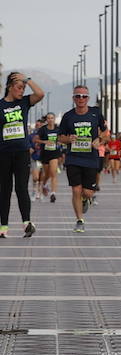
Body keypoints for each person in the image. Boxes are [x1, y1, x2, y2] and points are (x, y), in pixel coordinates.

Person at [56, 85, 107, 232]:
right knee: (76, 190)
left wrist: (100, 140)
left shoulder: (95, 113)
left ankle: (86, 199)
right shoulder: (68, 116)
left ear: (88, 98)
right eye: (78, 96)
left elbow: (106, 133)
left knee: (88, 192)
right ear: (73, 98)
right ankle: (79, 220)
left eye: (84, 96)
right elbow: (60, 138)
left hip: (91, 158)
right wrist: (68, 138)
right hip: (73, 158)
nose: (81, 99)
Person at [1, 74, 45, 238]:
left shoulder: (24, 102)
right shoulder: (0, 105)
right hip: (3, 153)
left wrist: (27, 79)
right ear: (9, 87)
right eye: (19, 87)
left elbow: (40, 94)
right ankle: (3, 226)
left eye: (24, 88)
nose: (22, 90)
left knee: (21, 188)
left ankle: (26, 223)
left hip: (21, 153)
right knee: (4, 190)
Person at [36, 112, 62, 203]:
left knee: (53, 173)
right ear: (46, 120)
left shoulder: (58, 129)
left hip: (54, 153)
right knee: (46, 173)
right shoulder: (43, 129)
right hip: (45, 154)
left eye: (52, 118)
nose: (50, 120)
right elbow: (35, 139)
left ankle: (53, 193)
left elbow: (62, 138)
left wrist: (59, 141)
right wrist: (44, 142)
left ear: (54, 119)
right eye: (48, 118)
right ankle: (44, 184)